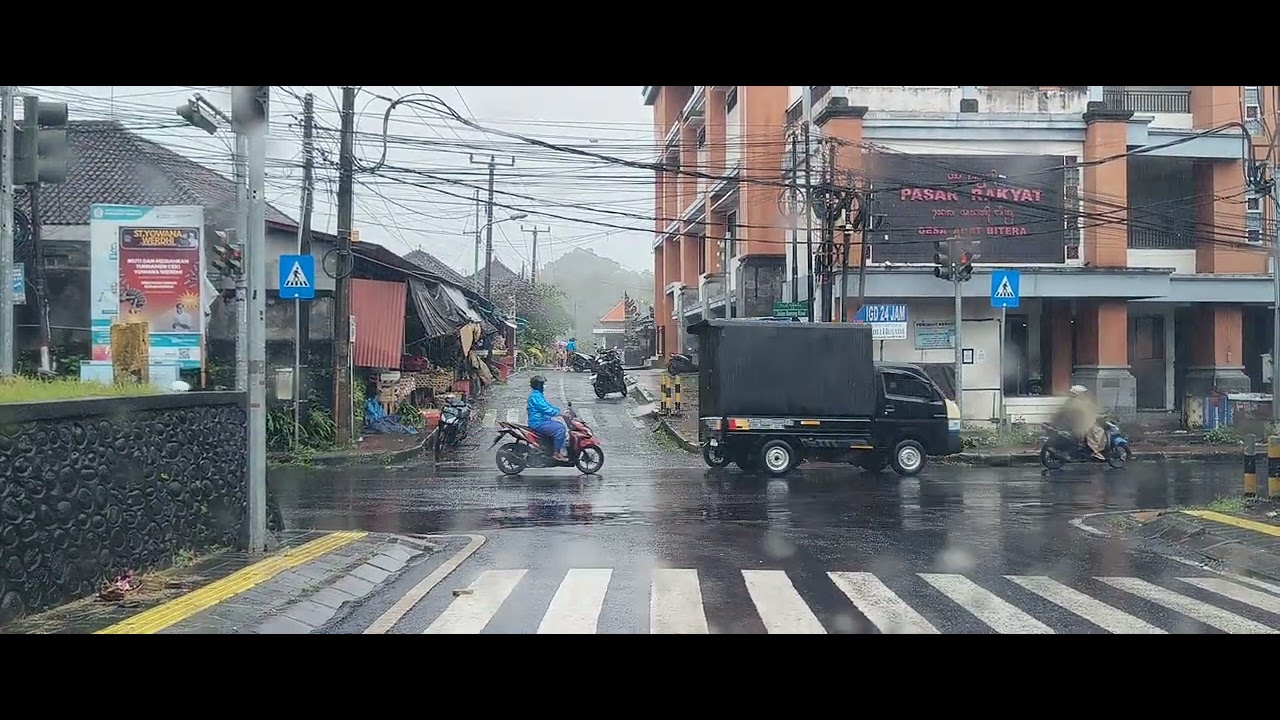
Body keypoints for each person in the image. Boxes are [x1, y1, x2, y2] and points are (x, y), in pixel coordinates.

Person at [1057, 384, 1105, 460]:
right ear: (1079, 394)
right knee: (1098, 431)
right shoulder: (1079, 402)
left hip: (1070, 423)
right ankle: (1095, 451)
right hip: (1078, 425)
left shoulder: (1070, 401)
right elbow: (1087, 414)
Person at [527, 374, 568, 462]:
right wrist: (558, 413)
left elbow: (548, 406)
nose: (544, 386)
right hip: (538, 422)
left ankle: (551, 448)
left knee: (558, 425)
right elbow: (545, 408)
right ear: (539, 385)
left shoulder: (538, 395)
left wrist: (559, 410)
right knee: (560, 429)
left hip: (542, 420)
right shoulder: (536, 396)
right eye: (543, 384)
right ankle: (556, 453)